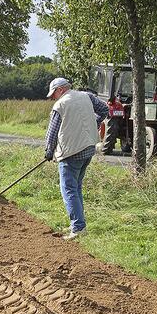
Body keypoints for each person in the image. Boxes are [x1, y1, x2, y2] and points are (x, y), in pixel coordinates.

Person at [44, 77, 109, 240]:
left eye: (54, 94)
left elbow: (52, 133)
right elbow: (104, 110)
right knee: (76, 187)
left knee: (69, 189)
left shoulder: (60, 105)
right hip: (88, 149)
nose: (53, 97)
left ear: (60, 89)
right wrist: (94, 123)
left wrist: (49, 151)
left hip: (71, 153)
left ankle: (78, 227)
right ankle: (78, 223)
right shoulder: (86, 96)